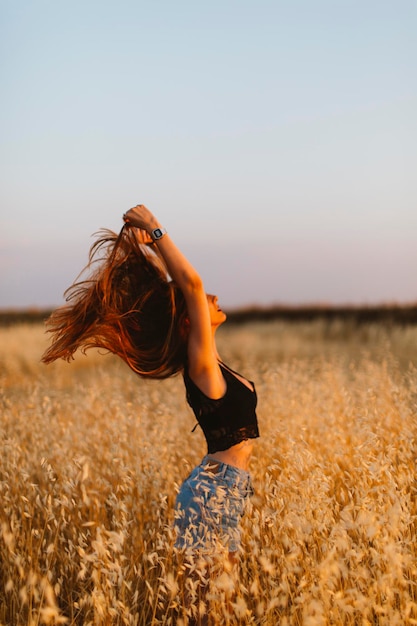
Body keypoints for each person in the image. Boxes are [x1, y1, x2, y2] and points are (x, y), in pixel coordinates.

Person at [42, 204, 260, 611]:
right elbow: (192, 286)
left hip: (226, 487)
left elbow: (187, 290)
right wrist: (155, 230)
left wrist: (153, 257)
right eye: (200, 303)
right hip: (213, 490)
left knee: (221, 605)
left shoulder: (210, 361)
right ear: (188, 324)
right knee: (205, 607)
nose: (211, 296)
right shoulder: (200, 364)